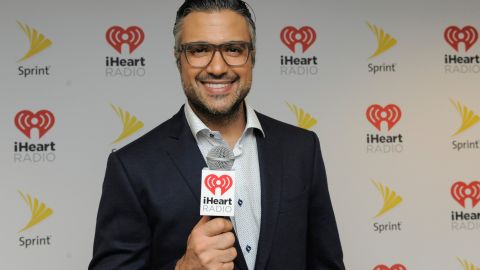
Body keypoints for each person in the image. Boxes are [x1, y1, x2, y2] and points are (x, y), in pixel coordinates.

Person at [88, 0, 345, 269]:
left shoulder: (302, 149)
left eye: (233, 49)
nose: (218, 68)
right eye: (199, 50)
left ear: (252, 55)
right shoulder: (132, 167)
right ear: (178, 58)